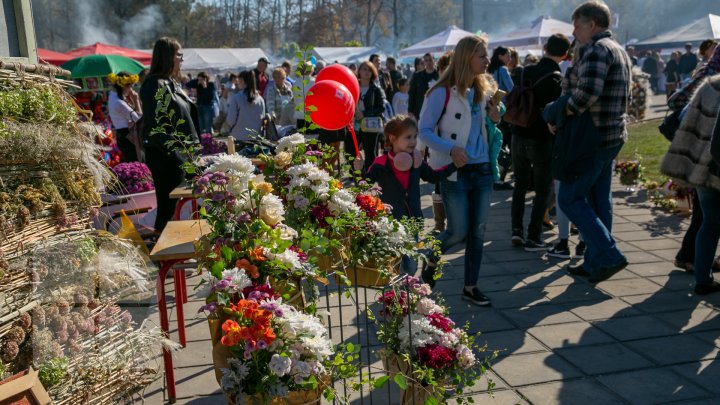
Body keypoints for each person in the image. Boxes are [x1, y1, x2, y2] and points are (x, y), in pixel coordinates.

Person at [418, 35, 501, 306]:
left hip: (483, 169)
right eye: (482, 56)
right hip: (455, 169)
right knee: (457, 231)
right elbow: (424, 131)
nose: (487, 61)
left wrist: (496, 117)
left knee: (478, 230)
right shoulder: (440, 92)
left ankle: (470, 286)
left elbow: (489, 126)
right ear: (466, 58)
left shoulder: (484, 90)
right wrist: (451, 148)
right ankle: (431, 255)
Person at [556, 1, 631, 283]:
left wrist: (559, 113)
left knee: (570, 197)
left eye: (577, 24)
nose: (574, 31)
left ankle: (608, 254)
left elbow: (586, 95)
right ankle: (595, 262)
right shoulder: (617, 49)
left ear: (593, 24)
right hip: (611, 134)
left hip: (594, 137)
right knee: (599, 200)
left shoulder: (598, 50)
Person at [353, 115, 457, 274]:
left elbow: (433, 176)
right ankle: (396, 294)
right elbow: (364, 184)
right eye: (408, 137)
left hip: (412, 221)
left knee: (410, 263)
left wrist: (454, 165)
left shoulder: (417, 162)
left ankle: (409, 292)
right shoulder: (381, 163)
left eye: (415, 137)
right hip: (389, 223)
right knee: (392, 262)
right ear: (393, 138)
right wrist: (359, 170)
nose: (413, 141)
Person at [510, 34, 570, 251]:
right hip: (541, 138)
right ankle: (534, 236)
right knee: (542, 189)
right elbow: (554, 112)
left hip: (518, 133)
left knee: (520, 185)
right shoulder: (556, 78)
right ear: (565, 54)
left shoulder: (526, 71)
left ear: (545, 48)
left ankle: (516, 230)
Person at [661, 74, 720, 295]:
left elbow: (687, 121)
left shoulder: (710, 85)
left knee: (710, 223)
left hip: (702, 167)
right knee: (710, 223)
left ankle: (703, 278)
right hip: (714, 167)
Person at [139, 37, 199, 232]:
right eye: (178, 55)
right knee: (167, 208)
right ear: (167, 57)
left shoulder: (170, 83)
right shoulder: (154, 85)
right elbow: (157, 128)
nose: (181, 60)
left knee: (175, 207)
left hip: (179, 155)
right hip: (167, 158)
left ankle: (169, 252)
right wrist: (179, 156)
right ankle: (161, 256)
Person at [351, 61, 387, 173]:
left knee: (370, 151)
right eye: (364, 69)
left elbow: (381, 107)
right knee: (351, 149)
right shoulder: (353, 85)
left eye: (369, 70)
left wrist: (365, 114)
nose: (367, 72)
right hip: (354, 123)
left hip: (370, 125)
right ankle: (355, 173)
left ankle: (370, 175)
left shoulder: (376, 89)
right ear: (359, 71)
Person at [107, 71, 142, 162]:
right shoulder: (119, 102)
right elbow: (139, 119)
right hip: (127, 136)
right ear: (124, 86)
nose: (131, 89)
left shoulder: (112, 97)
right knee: (137, 163)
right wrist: (136, 100)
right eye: (130, 86)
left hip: (122, 136)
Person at [225, 70, 265, 147]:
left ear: (242, 80)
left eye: (238, 80)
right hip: (256, 139)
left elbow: (230, 120)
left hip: (238, 138)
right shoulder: (260, 99)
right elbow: (262, 120)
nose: (237, 83)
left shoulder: (236, 98)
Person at [408, 53, 438, 119]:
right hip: (420, 110)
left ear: (434, 60)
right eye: (426, 60)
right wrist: (410, 110)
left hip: (435, 109)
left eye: (430, 60)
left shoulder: (439, 75)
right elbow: (412, 93)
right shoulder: (417, 76)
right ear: (424, 62)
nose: (428, 62)